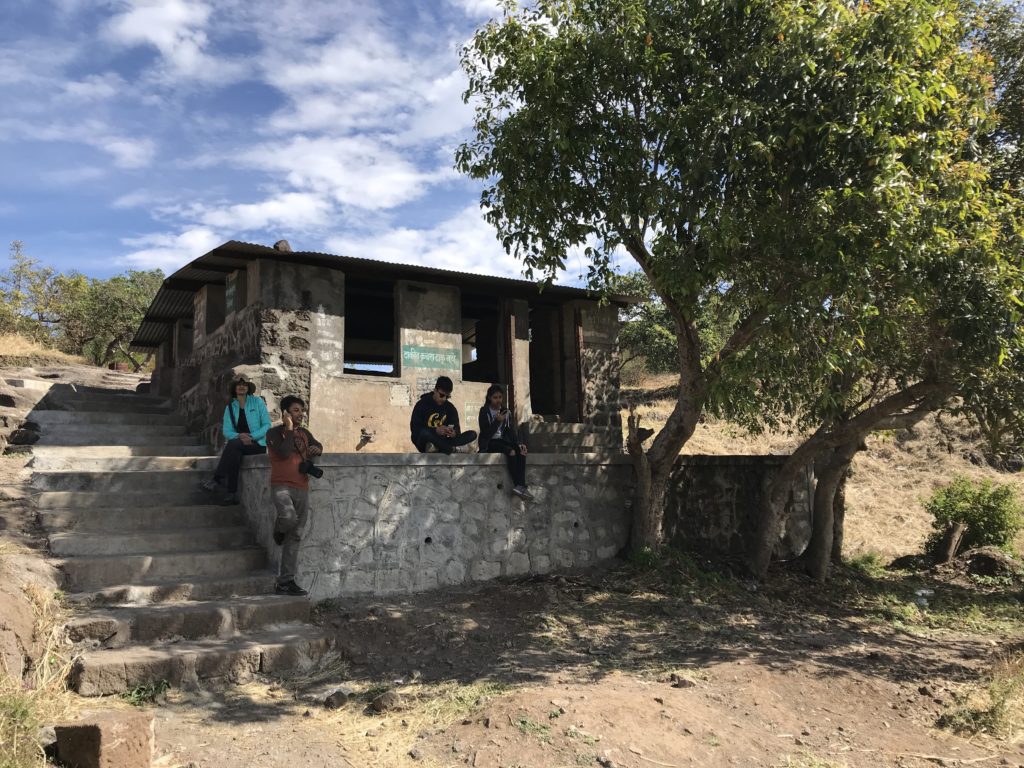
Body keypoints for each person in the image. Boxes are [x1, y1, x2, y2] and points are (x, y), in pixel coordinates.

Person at [265, 395, 323, 597]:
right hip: (281, 485)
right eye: (296, 410)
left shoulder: (306, 433)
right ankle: (278, 530)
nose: (301, 414)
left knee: (296, 535)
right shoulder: (273, 433)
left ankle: (286, 581)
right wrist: (288, 428)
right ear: (286, 413)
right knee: (288, 518)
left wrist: (317, 449)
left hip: (302, 487)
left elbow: (318, 446)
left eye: (302, 410)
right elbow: (283, 453)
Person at [200, 376, 271, 505]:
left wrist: (252, 436)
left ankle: (217, 479)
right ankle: (231, 494)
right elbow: (227, 431)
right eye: (238, 384)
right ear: (234, 388)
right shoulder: (230, 408)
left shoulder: (257, 402)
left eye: (244, 384)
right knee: (235, 452)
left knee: (233, 446)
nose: (241, 386)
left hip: (257, 444)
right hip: (239, 443)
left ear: (248, 388)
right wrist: (239, 436)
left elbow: (266, 425)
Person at [478, 384, 533, 500]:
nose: (498, 400)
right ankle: (519, 485)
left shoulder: (505, 412)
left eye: (500, 397)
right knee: (511, 452)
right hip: (489, 443)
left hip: (502, 441)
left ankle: (520, 486)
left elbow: (510, 431)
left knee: (521, 451)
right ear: (489, 398)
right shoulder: (484, 411)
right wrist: (497, 422)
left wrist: (519, 443)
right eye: (495, 397)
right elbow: (485, 433)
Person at [410, 376, 477, 454]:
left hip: (443, 441)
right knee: (425, 433)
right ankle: (452, 449)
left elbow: (457, 430)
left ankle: (437, 448)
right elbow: (415, 429)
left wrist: (453, 433)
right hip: (425, 441)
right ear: (435, 390)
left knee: (472, 434)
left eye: (447, 396)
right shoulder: (422, 404)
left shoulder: (450, 408)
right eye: (441, 395)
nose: (444, 399)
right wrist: (435, 430)